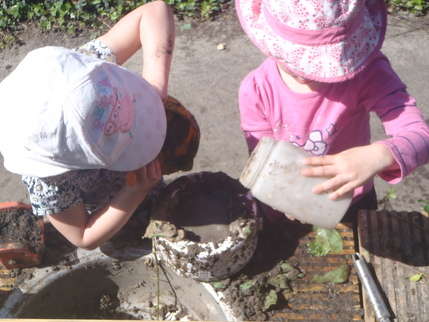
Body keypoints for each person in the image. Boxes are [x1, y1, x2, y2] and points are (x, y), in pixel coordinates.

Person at [0, 1, 199, 250]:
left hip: (144, 181)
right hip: (112, 213)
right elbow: (84, 237)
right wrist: (132, 194)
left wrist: (155, 87)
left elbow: (154, 11)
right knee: (132, 242)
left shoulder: (77, 78)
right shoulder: (48, 182)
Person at [235, 0, 429, 220]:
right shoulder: (256, 89)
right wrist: (281, 194)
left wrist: (379, 155)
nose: (308, 74)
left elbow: (421, 136)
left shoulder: (367, 73)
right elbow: (261, 161)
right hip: (284, 202)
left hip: (350, 201)